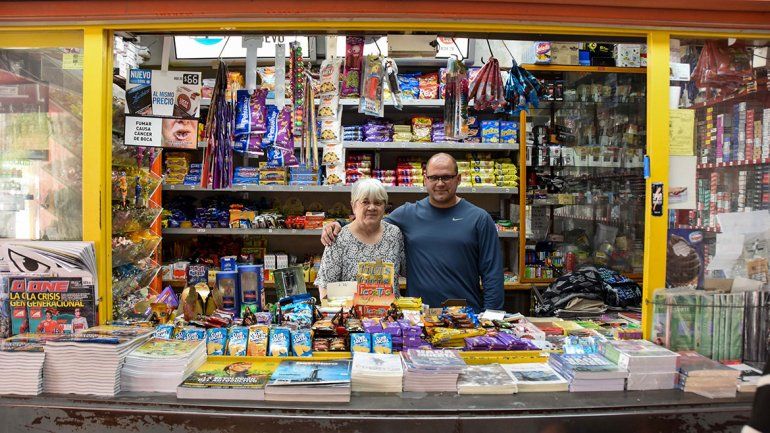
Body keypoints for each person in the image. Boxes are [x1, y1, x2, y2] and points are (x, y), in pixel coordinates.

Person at [322, 153, 504, 311]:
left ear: (459, 179)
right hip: (415, 315)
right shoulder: (408, 214)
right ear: (425, 179)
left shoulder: (479, 218)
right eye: (434, 177)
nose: (440, 183)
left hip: (464, 313)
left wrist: (492, 315)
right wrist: (338, 224)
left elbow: (492, 273)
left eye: (446, 177)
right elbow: (370, 222)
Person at [315, 178, 405, 299]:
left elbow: (405, 270)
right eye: (365, 202)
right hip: (353, 316)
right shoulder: (339, 237)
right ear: (353, 206)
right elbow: (325, 286)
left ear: (384, 207)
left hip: (390, 315)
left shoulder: (394, 234)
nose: (372, 207)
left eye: (378, 203)